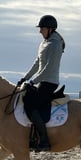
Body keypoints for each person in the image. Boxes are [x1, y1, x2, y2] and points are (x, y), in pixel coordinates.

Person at [18, 15, 65, 151]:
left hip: (49, 82)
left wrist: (32, 81)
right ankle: (33, 136)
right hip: (41, 81)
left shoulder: (55, 44)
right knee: (25, 97)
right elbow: (37, 63)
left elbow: (48, 68)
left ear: (50, 29)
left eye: (42, 29)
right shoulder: (44, 43)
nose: (40, 32)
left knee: (30, 104)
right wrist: (25, 78)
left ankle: (44, 140)